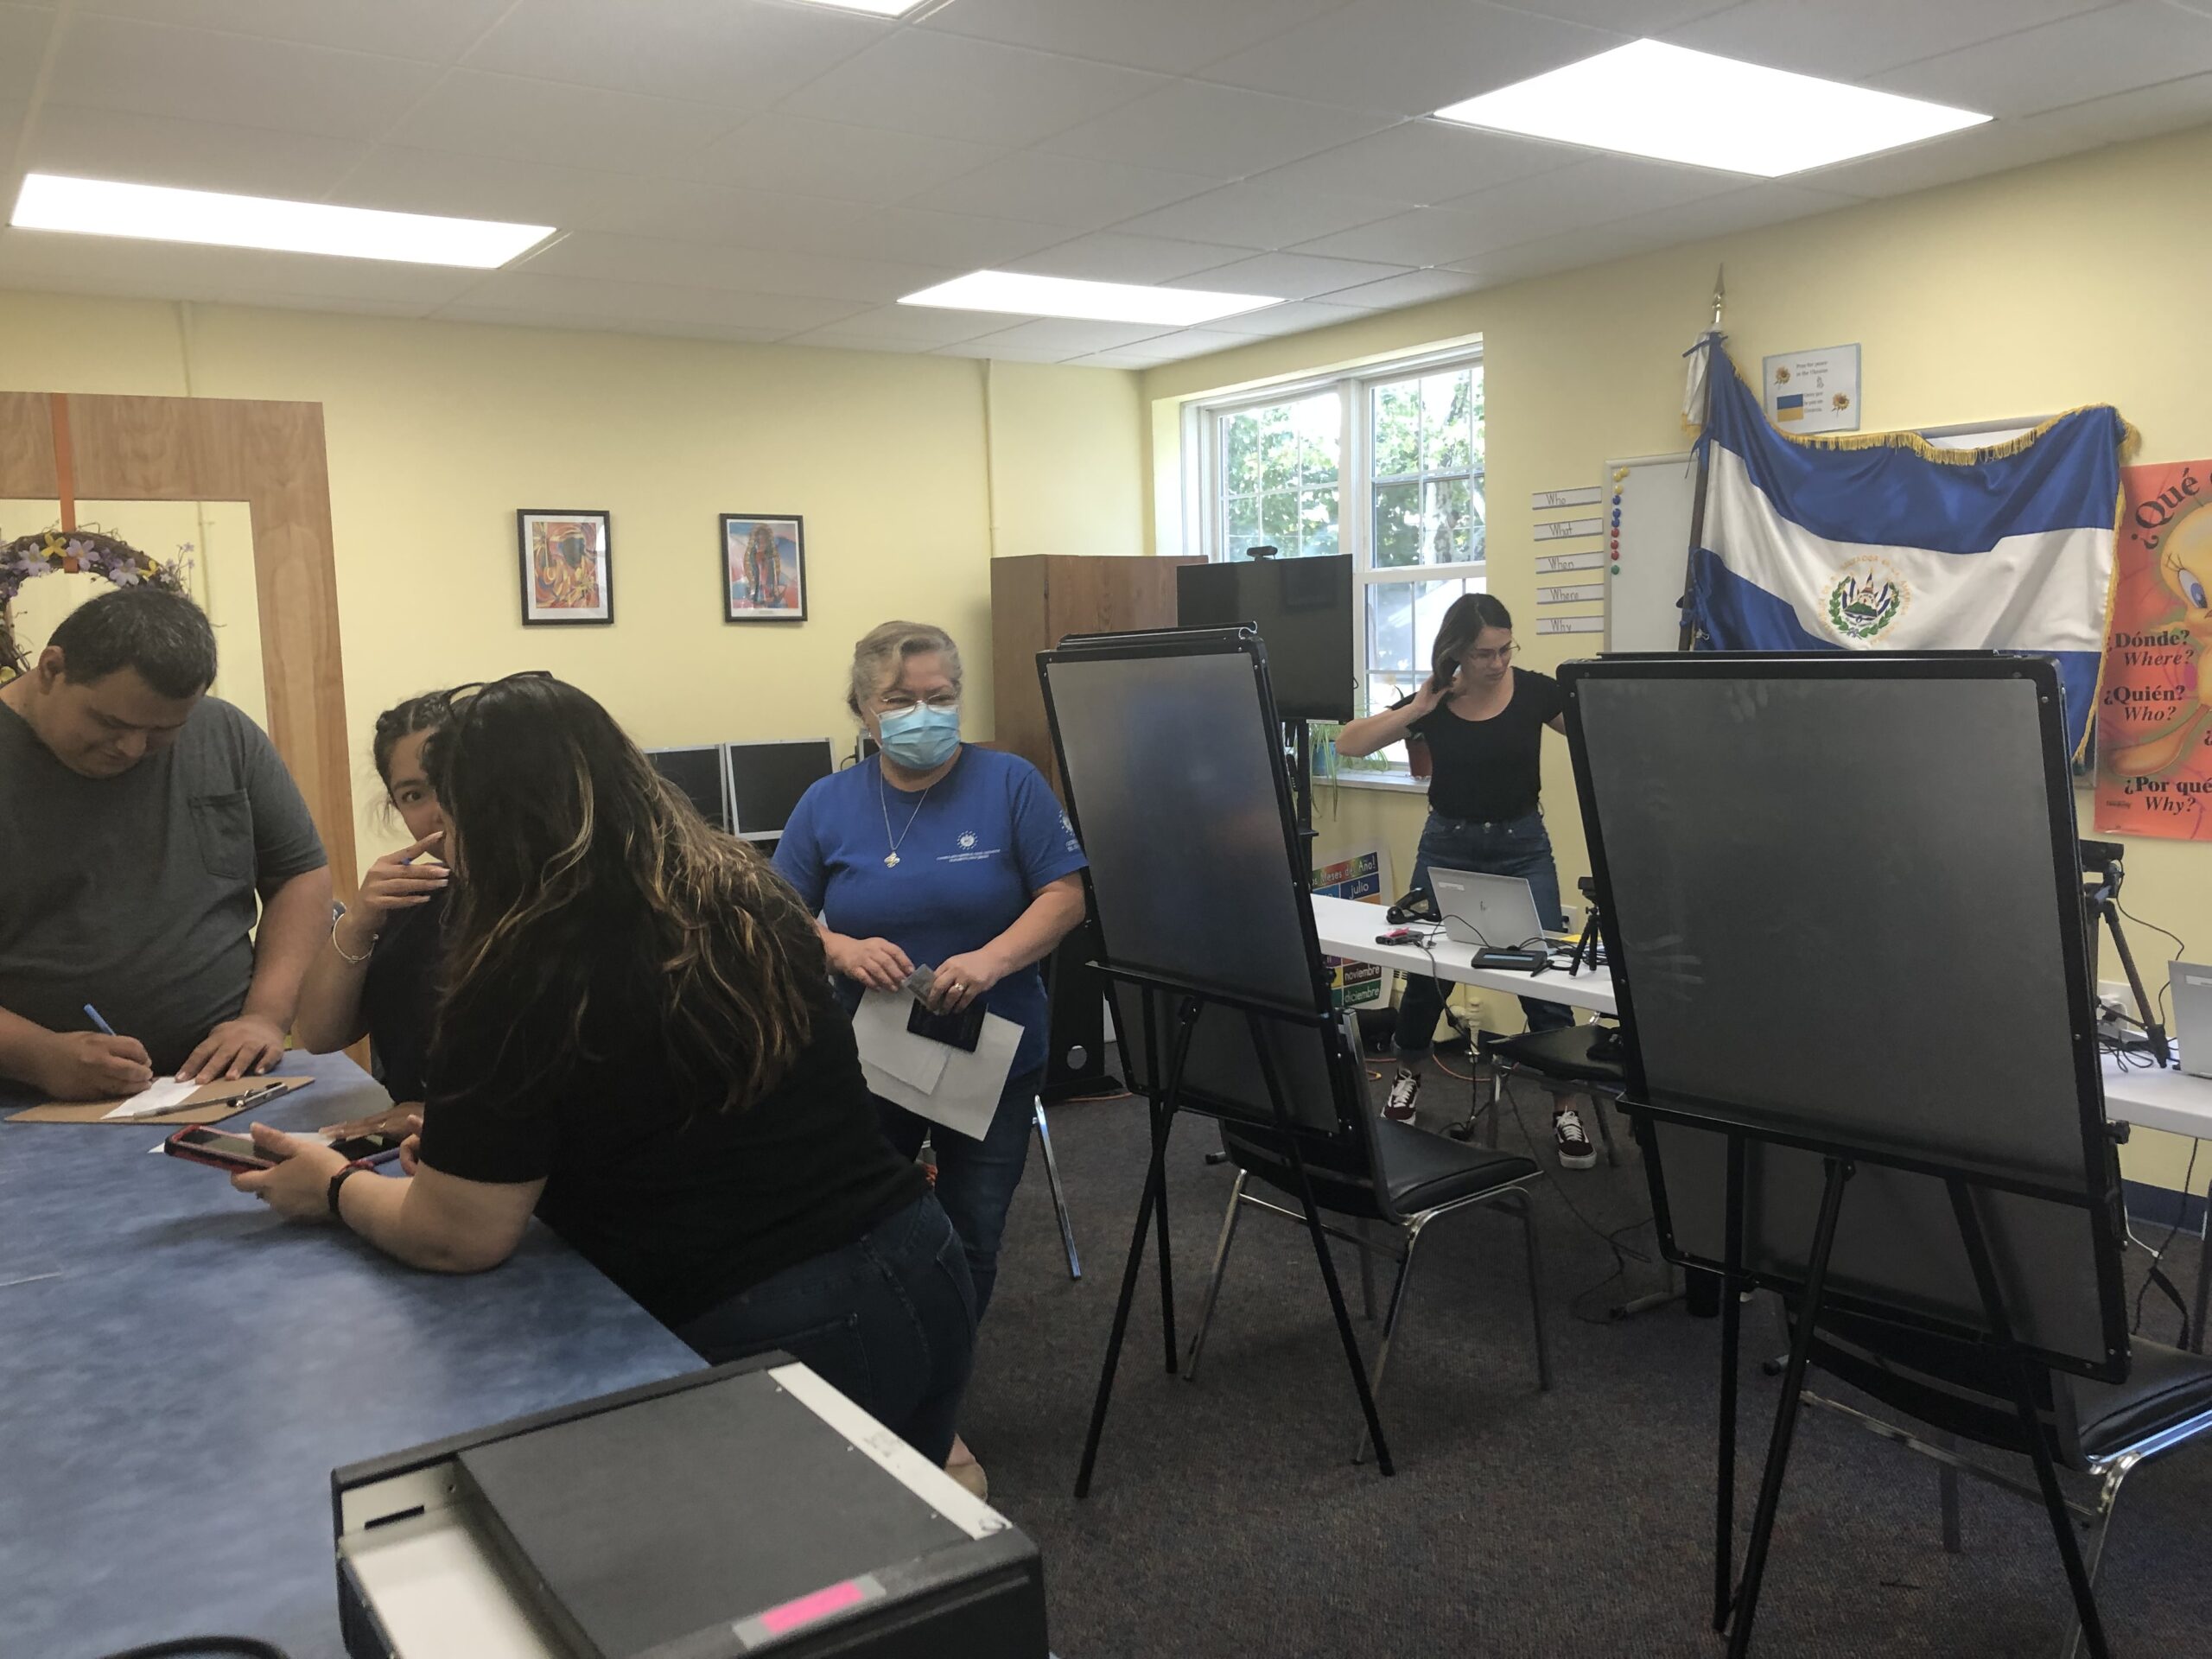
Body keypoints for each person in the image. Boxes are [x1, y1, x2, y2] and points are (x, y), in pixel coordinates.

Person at [233, 673, 974, 1463]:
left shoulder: (519, 968)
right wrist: (482, 1162)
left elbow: (458, 1237)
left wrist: (335, 1186)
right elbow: (679, 1112)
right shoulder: (743, 891)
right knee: (906, 1528)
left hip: (773, 1315)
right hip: (921, 1258)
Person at [774, 620, 1086, 1495]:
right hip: (868, 1056)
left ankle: (934, 1399)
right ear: (863, 711)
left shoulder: (1010, 783)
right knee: (859, 1224)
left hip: (990, 1050)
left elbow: (1064, 896)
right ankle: (869, 1367)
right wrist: (838, 948)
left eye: (940, 697)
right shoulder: (827, 803)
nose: (924, 714)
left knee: (972, 1231)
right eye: (901, 700)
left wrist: (992, 959)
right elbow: (776, 911)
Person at [0, 586, 330, 1100]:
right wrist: (39, 1056)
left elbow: (299, 876)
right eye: (111, 723)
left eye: (163, 731)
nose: (133, 748)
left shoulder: (223, 733)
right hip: (25, 1097)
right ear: (51, 670)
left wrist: (265, 1016)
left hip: (223, 1083)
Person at [1333, 594, 1594, 1169]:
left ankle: (1565, 1106)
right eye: (1483, 654)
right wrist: (1417, 707)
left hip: (1522, 847)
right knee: (1428, 973)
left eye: (1505, 649)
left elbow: (1593, 732)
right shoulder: (1436, 700)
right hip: (1447, 846)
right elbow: (1348, 742)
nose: (1498, 663)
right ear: (1456, 651)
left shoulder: (1534, 691)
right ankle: (1408, 1076)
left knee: (1543, 975)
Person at [295, 694, 451, 1137]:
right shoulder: (414, 901)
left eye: (452, 781)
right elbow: (321, 1037)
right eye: (414, 795)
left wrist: (447, 1121)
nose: (439, 811)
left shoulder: (558, 904)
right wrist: (358, 923)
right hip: (409, 1147)